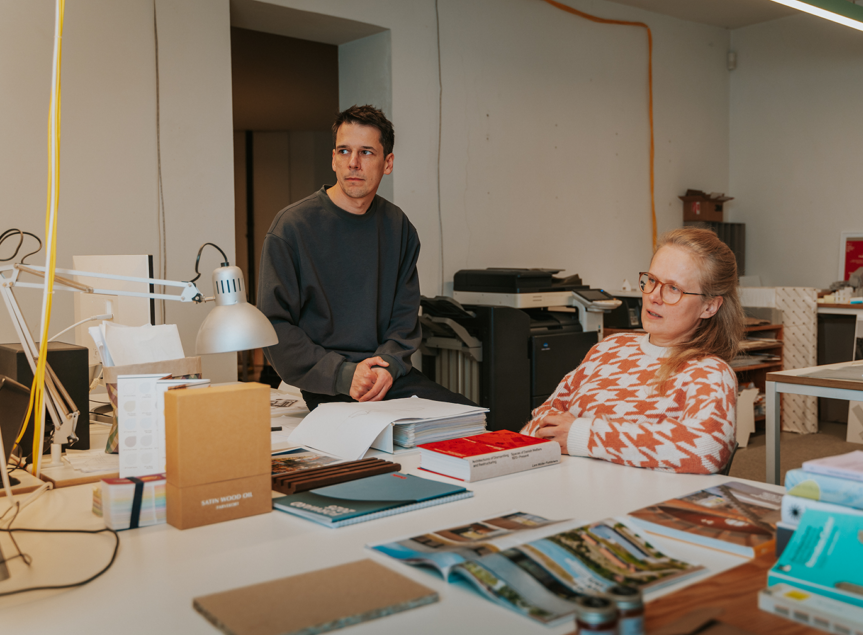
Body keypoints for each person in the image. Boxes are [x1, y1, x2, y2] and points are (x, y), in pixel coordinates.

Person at [258, 104, 473, 410]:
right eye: (344, 151)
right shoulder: (291, 228)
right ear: (333, 159)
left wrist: (389, 365)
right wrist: (344, 374)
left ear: (388, 163)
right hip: (329, 383)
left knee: (474, 421)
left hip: (387, 376)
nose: (353, 163)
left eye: (366, 152)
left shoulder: (398, 228)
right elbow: (274, 325)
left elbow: (404, 319)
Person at [520, 228, 743, 473]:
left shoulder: (710, 373)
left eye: (673, 289)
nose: (653, 296)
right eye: (652, 280)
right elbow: (542, 418)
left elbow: (707, 448)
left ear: (709, 307)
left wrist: (583, 435)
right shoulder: (609, 348)